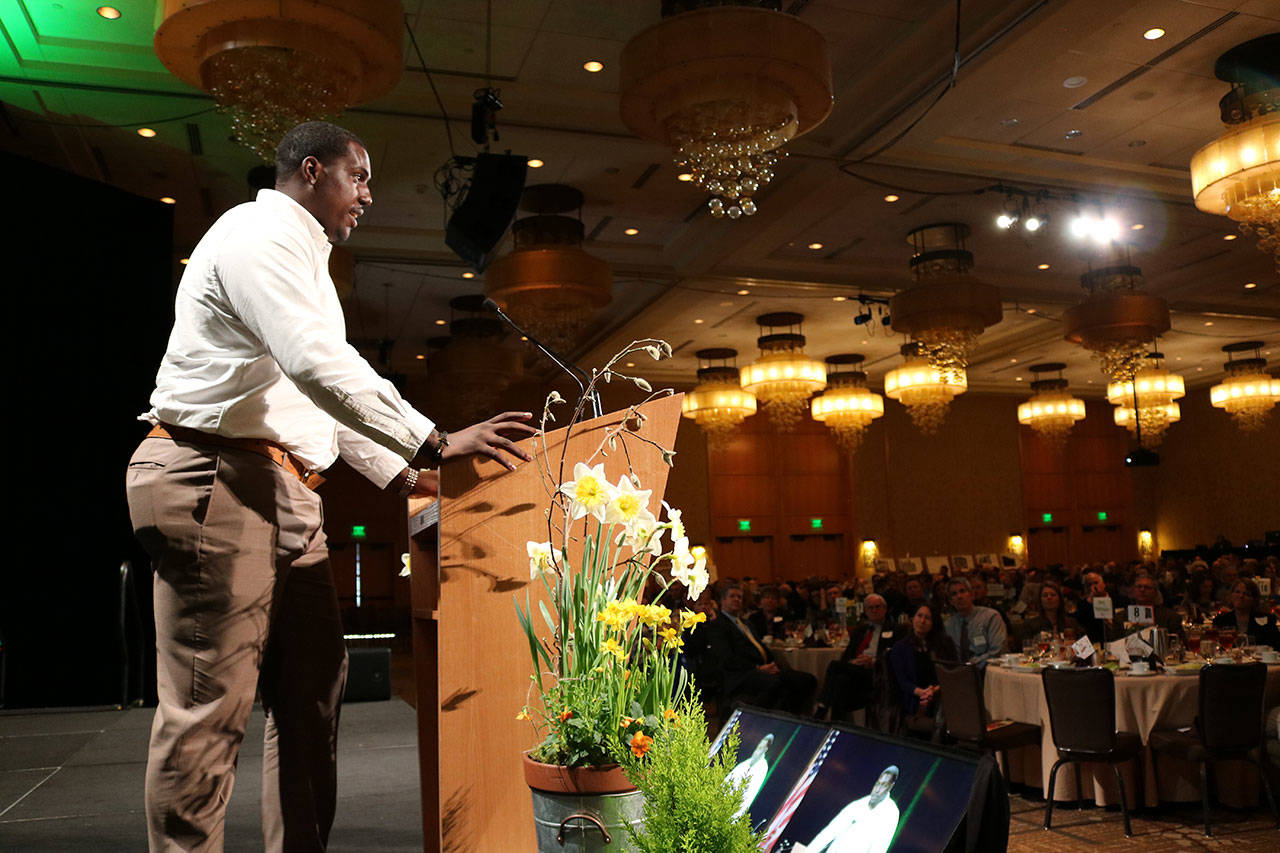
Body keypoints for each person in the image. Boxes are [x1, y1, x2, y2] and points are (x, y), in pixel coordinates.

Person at [125, 121, 536, 852]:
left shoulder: (303, 261)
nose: (369, 195)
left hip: (285, 491)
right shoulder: (255, 234)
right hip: (215, 473)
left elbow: (313, 397)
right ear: (312, 170)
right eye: (361, 176)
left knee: (314, 692)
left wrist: (419, 471)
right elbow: (317, 364)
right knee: (207, 710)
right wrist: (435, 438)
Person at [705, 582, 816, 714]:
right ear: (723, 600)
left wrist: (772, 664)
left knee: (807, 680)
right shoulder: (718, 625)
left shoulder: (746, 623)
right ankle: (760, 720)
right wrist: (757, 669)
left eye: (739, 597)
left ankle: (794, 719)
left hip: (760, 668)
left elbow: (760, 647)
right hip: (739, 673)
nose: (737, 600)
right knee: (776, 684)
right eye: (732, 596)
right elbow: (727, 658)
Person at [813, 594, 895, 721]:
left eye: (877, 607)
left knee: (834, 666)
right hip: (857, 671)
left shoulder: (895, 629)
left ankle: (822, 708)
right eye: (870, 608)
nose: (874, 610)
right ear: (865, 611)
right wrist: (853, 661)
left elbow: (895, 657)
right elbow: (847, 656)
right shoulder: (860, 630)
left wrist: (873, 661)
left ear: (885, 609)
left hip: (877, 671)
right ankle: (837, 724)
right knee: (840, 680)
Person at [794, 765, 902, 853]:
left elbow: (879, 848)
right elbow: (829, 832)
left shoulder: (890, 813)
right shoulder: (857, 805)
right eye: (877, 784)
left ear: (890, 786)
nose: (877, 790)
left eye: (883, 785)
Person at [888, 604, 957, 719]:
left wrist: (933, 691)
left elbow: (952, 672)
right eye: (919, 616)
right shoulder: (900, 647)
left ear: (934, 623)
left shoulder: (945, 643)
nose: (922, 621)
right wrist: (923, 693)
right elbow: (902, 681)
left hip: (941, 693)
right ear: (913, 618)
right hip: (914, 696)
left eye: (927, 618)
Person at [943, 578, 1006, 666]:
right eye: (954, 594)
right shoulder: (949, 625)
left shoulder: (990, 617)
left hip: (987, 670)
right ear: (951, 601)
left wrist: (971, 665)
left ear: (971, 595)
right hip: (959, 672)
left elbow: (998, 651)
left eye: (962, 591)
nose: (959, 596)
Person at [1212, 579, 1280, 647]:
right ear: (1231, 595)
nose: (1241, 596)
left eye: (1247, 594)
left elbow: (1276, 646)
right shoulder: (1220, 620)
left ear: (1254, 599)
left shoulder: (1267, 620)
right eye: (1237, 592)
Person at [725, 733, 774, 820]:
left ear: (766, 748)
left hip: (734, 807)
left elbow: (750, 791)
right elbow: (729, 778)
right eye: (759, 745)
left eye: (761, 747)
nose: (758, 749)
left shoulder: (762, 767)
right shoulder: (746, 763)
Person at [1126, 574, 1186, 640]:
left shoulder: (1170, 617)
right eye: (1139, 587)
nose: (1142, 590)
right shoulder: (1121, 617)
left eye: (1147, 587)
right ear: (1133, 591)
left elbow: (1179, 643)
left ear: (1155, 592)